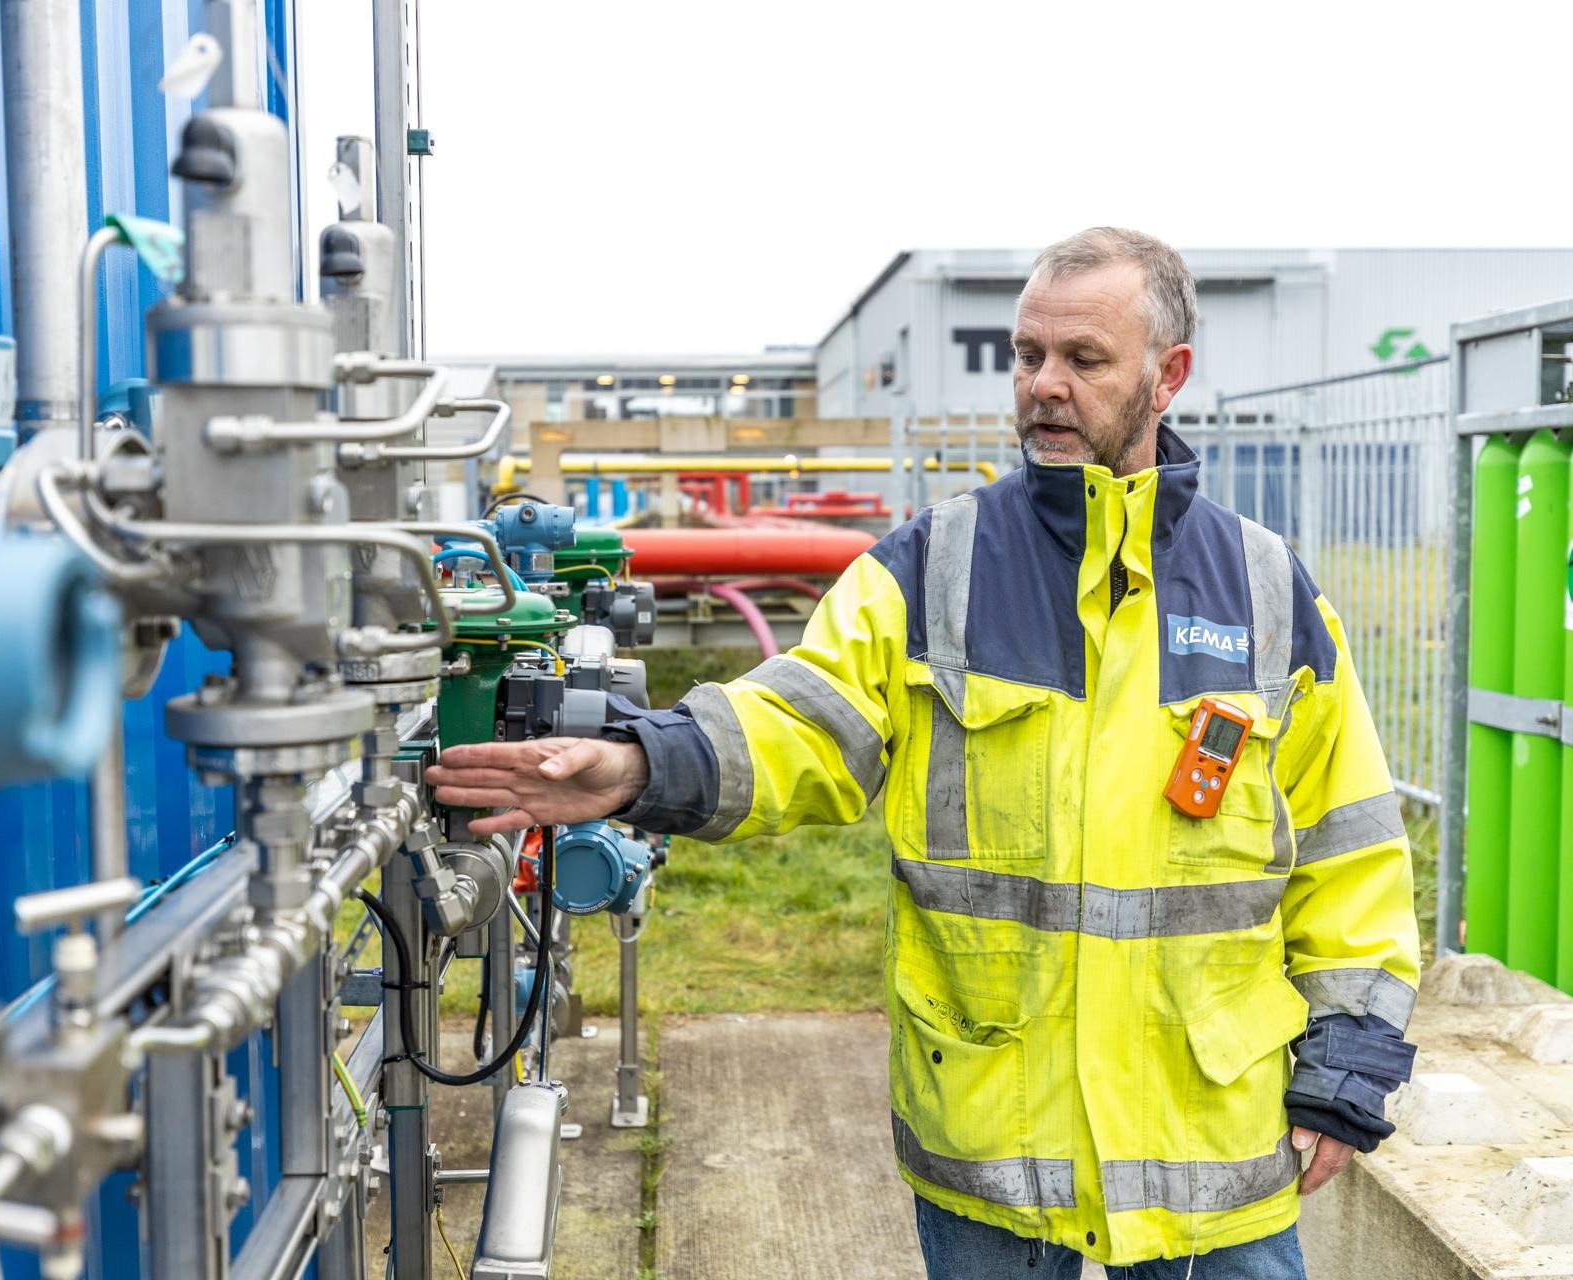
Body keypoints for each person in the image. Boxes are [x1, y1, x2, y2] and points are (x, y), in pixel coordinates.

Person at [426, 227, 1421, 1278]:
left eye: (1083, 360)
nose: (1043, 384)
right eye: (1027, 354)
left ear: (1167, 375)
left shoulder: (1266, 592)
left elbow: (1350, 846)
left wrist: (1346, 1074)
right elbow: (802, 718)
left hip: (1212, 1159)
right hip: (995, 1152)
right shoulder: (935, 568)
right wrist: (640, 762)